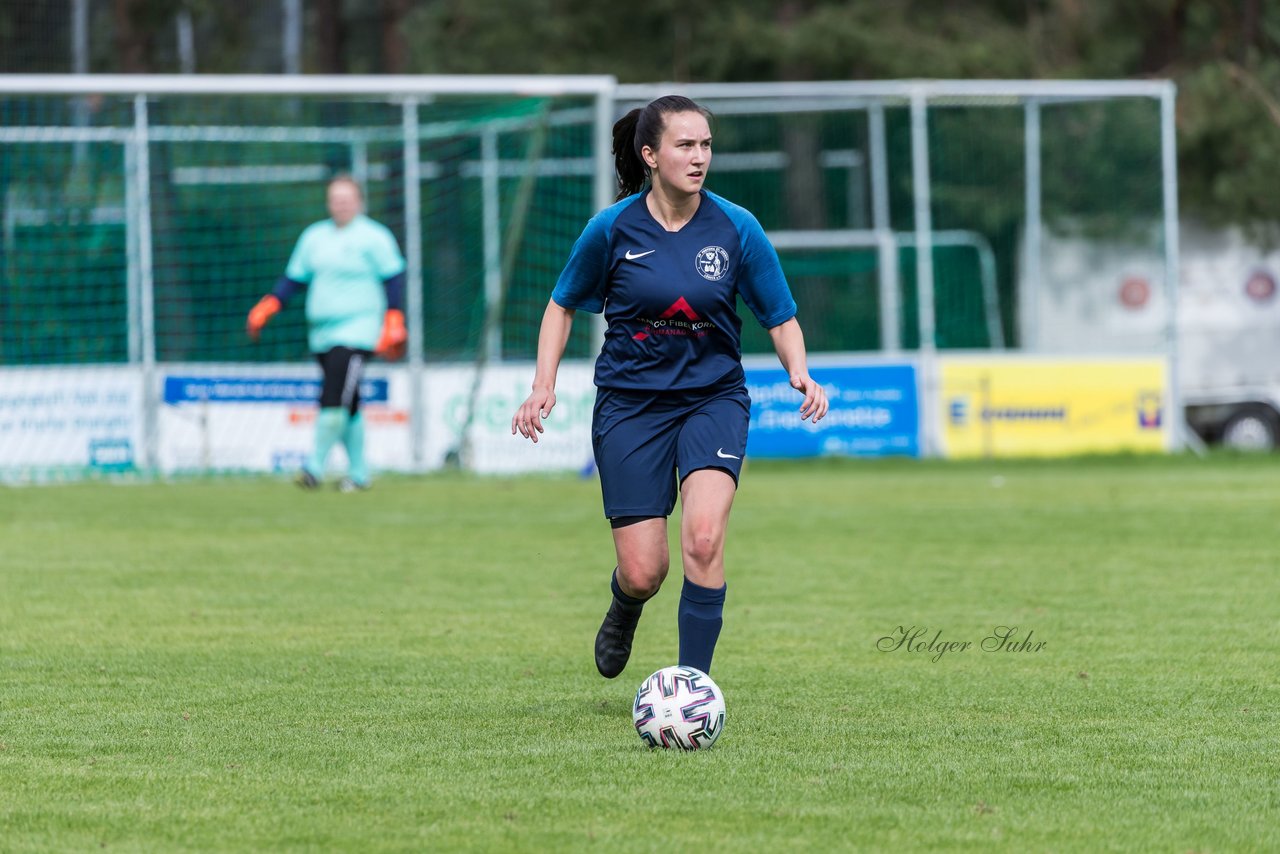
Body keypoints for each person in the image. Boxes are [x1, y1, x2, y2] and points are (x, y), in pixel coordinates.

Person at [511, 95, 828, 679]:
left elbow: (779, 316)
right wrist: (542, 385)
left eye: (706, 144)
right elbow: (560, 306)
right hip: (630, 408)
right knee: (644, 571)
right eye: (686, 145)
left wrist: (799, 370)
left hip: (714, 400)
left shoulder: (738, 227)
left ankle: (691, 688)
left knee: (704, 540)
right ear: (651, 155)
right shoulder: (610, 229)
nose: (700, 156)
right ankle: (625, 606)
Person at [246, 174, 407, 492]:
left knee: (333, 397)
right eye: (336, 199)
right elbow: (294, 279)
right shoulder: (314, 237)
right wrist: (268, 306)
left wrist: (394, 319)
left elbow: (394, 278)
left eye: (347, 199)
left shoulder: (374, 237)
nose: (341, 205)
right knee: (349, 403)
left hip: (358, 332)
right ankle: (359, 475)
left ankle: (313, 468)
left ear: (359, 201)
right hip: (321, 333)